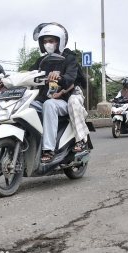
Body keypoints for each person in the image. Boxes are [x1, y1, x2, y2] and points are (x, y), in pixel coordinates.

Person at [29, 23, 78, 163]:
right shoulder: (41, 61)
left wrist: (60, 78)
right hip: (42, 101)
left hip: (63, 102)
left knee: (50, 104)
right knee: (27, 106)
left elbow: (70, 79)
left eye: (51, 41)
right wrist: (7, 80)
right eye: (44, 41)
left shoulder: (69, 59)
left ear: (59, 42)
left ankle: (48, 149)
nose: (47, 44)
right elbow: (28, 74)